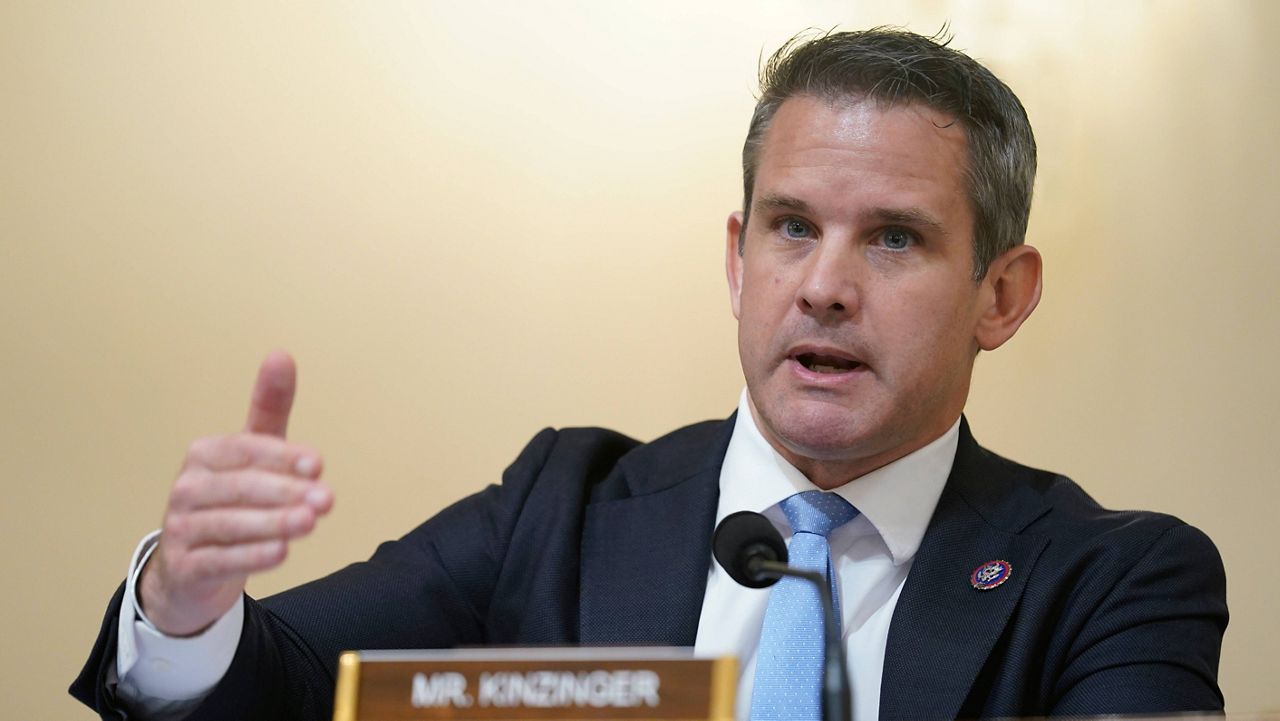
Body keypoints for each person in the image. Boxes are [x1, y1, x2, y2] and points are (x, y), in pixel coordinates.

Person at [71, 28, 1227, 721]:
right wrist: (182, 604)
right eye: (788, 227)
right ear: (736, 259)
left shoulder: (1112, 577)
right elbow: (283, 688)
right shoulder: (558, 508)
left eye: (892, 238)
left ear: (1001, 294)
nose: (822, 286)